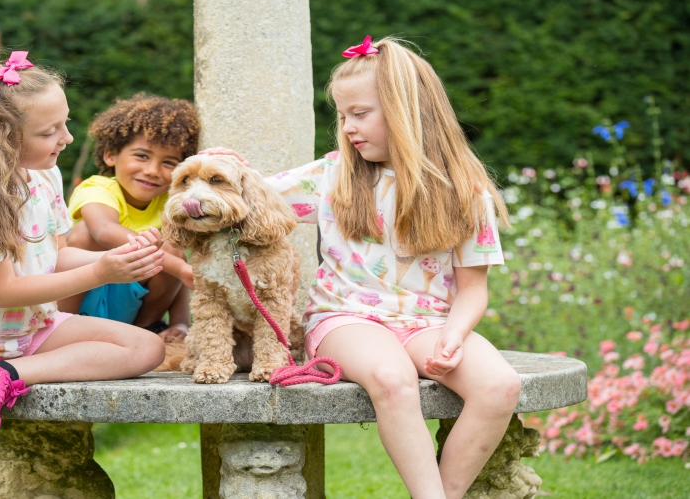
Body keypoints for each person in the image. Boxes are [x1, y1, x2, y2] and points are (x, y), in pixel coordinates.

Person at [201, 36, 521, 499]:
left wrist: (454, 336)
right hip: (345, 319)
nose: (348, 127)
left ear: (407, 111)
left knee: (499, 386)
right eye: (344, 116)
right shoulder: (332, 177)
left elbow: (473, 289)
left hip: (427, 323)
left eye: (361, 114)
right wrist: (225, 171)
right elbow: (249, 199)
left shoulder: (465, 193)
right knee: (393, 378)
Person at [0, 51, 167, 499]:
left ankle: (6, 373)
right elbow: (3, 291)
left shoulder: (45, 177)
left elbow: (54, 257)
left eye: (64, 122)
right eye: (49, 131)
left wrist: (124, 261)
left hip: (28, 333)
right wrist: (101, 270)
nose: (66, 137)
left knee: (145, 345)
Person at [61, 93, 199, 340]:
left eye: (169, 162)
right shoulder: (97, 188)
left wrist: (181, 322)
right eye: (142, 156)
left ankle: (148, 331)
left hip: (133, 309)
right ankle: (61, 327)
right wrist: (180, 269)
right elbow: (104, 231)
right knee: (84, 232)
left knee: (173, 245)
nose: (153, 171)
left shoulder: (169, 203)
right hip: (86, 294)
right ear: (111, 155)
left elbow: (178, 269)